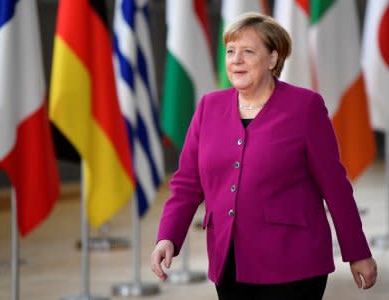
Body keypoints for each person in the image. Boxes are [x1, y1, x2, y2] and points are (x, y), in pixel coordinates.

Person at [151, 12, 377, 300]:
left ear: (272, 59)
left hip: (294, 262)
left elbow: (335, 187)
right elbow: (186, 184)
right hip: (229, 262)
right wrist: (167, 237)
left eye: (247, 51)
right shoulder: (209, 106)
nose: (236, 59)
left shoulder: (305, 107)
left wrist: (356, 251)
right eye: (231, 51)